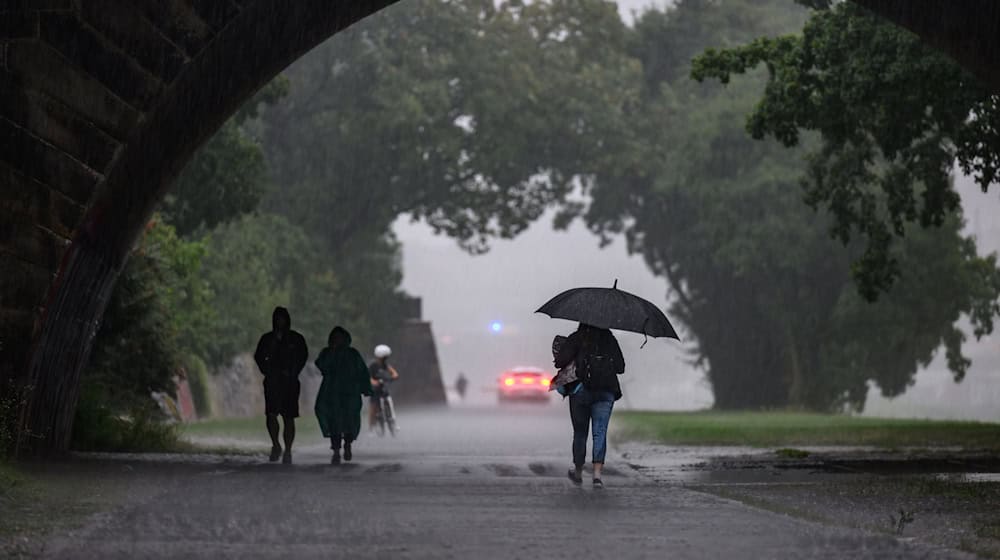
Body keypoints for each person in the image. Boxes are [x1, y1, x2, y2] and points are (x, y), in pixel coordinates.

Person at [553, 322, 625, 488]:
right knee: (600, 432)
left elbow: (560, 362)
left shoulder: (577, 338)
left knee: (580, 432)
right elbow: (621, 367)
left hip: (580, 391)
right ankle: (597, 475)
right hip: (606, 391)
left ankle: (578, 471)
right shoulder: (610, 339)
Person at [253, 306, 309, 465]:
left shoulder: (296, 339)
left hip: (289, 382)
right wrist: (267, 371)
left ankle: (288, 449)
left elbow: (303, 356)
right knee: (271, 414)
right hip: (272, 381)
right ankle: (276, 444)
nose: (280, 321)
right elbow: (258, 356)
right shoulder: (267, 339)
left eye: (282, 318)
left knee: (289, 417)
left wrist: (293, 372)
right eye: (277, 318)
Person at [314, 326, 372, 464]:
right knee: (334, 421)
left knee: (349, 420)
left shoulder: (353, 354)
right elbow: (321, 365)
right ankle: (335, 450)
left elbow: (362, 371)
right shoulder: (327, 353)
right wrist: (332, 353)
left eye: (340, 337)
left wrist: (365, 388)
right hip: (331, 393)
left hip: (350, 393)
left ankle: (347, 443)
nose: (338, 340)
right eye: (335, 338)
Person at [368, 344, 400, 429]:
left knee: (389, 399)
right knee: (373, 406)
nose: (384, 359)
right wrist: (373, 382)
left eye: (386, 357)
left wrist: (394, 376)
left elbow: (393, 372)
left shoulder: (385, 365)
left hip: (383, 387)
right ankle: (371, 426)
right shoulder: (373, 365)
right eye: (383, 357)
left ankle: (393, 420)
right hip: (374, 389)